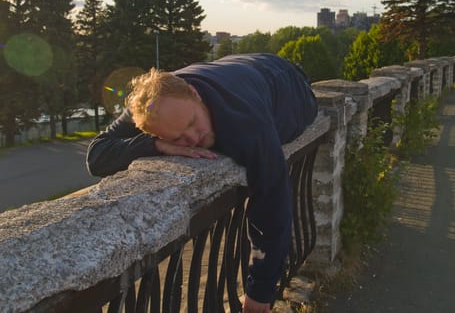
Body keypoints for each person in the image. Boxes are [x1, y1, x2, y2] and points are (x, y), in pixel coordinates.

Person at [86, 53, 318, 313]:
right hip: (243, 66)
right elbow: (97, 156)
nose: (194, 138)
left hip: (291, 82)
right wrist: (155, 145)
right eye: (179, 138)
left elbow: (273, 202)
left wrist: (260, 291)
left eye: (193, 123)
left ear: (195, 94)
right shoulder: (150, 104)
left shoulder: (245, 121)